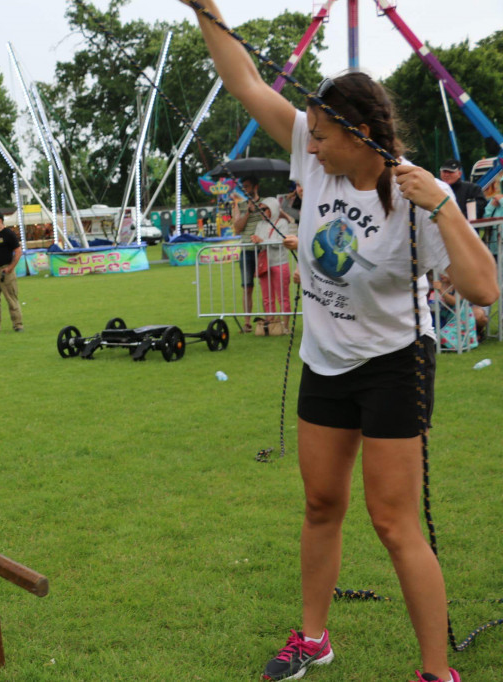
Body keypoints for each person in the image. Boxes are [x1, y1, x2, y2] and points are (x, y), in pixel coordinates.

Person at [183, 3, 499, 681]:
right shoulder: (318, 153)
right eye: (313, 135)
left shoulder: (415, 197)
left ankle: (437, 673)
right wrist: (206, 9)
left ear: (360, 134)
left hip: (394, 365)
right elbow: (245, 82)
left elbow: (483, 289)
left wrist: (443, 204)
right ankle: (314, 638)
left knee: (393, 522)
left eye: (324, 137)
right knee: (322, 502)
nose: (311, 148)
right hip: (324, 361)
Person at [255, 196, 297, 328]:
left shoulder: (282, 223)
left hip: (280, 263)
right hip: (265, 265)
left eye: (264, 209)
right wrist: (256, 242)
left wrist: (262, 241)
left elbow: (281, 242)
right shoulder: (260, 224)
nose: (261, 212)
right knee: (267, 297)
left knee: (283, 297)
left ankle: (285, 325)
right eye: (260, 209)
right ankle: (271, 323)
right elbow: (260, 244)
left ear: (272, 209)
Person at [231, 174, 263, 331]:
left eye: (248, 186)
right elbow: (237, 228)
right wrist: (248, 212)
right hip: (247, 251)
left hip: (264, 250)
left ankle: (269, 318)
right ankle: (247, 322)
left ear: (255, 187)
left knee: (266, 286)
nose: (245, 189)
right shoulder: (240, 206)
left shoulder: (266, 204)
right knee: (247, 287)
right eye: (243, 186)